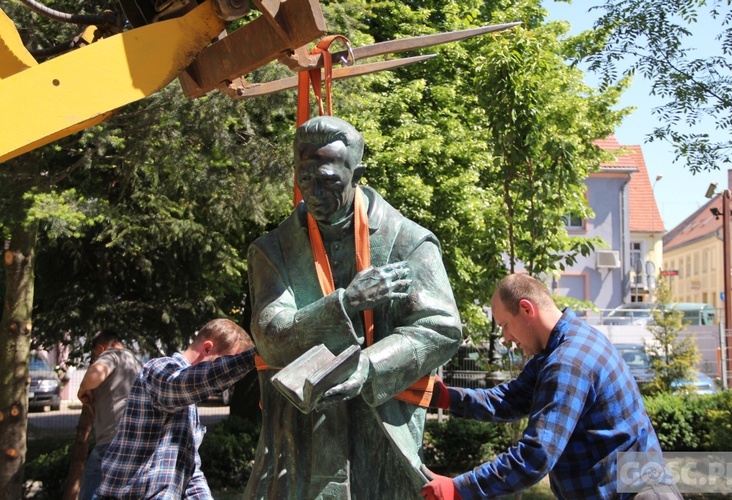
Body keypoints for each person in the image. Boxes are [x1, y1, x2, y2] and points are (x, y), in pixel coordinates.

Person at [244, 116, 462, 498]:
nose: (313, 192)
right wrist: (345, 303)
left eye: (327, 180)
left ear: (356, 173)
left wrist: (369, 365)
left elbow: (441, 328)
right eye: (304, 177)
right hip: (297, 444)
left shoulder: (408, 242)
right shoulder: (273, 250)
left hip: (380, 436)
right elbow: (270, 337)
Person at [420, 273, 681, 500]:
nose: (506, 338)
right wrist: (444, 397)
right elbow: (510, 399)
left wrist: (460, 488)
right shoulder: (561, 345)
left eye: (505, 326)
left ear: (526, 309)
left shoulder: (568, 363)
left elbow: (535, 456)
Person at [96, 318, 256, 499]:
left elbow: (190, 472)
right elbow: (185, 383)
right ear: (207, 349)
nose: (228, 383)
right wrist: (253, 358)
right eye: (224, 366)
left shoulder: (189, 403)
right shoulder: (159, 369)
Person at [77, 329, 142, 500]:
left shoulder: (112, 354)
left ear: (100, 348)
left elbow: (95, 375)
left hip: (111, 444)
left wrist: (83, 389)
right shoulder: (136, 363)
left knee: (90, 492)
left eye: (94, 355)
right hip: (137, 444)